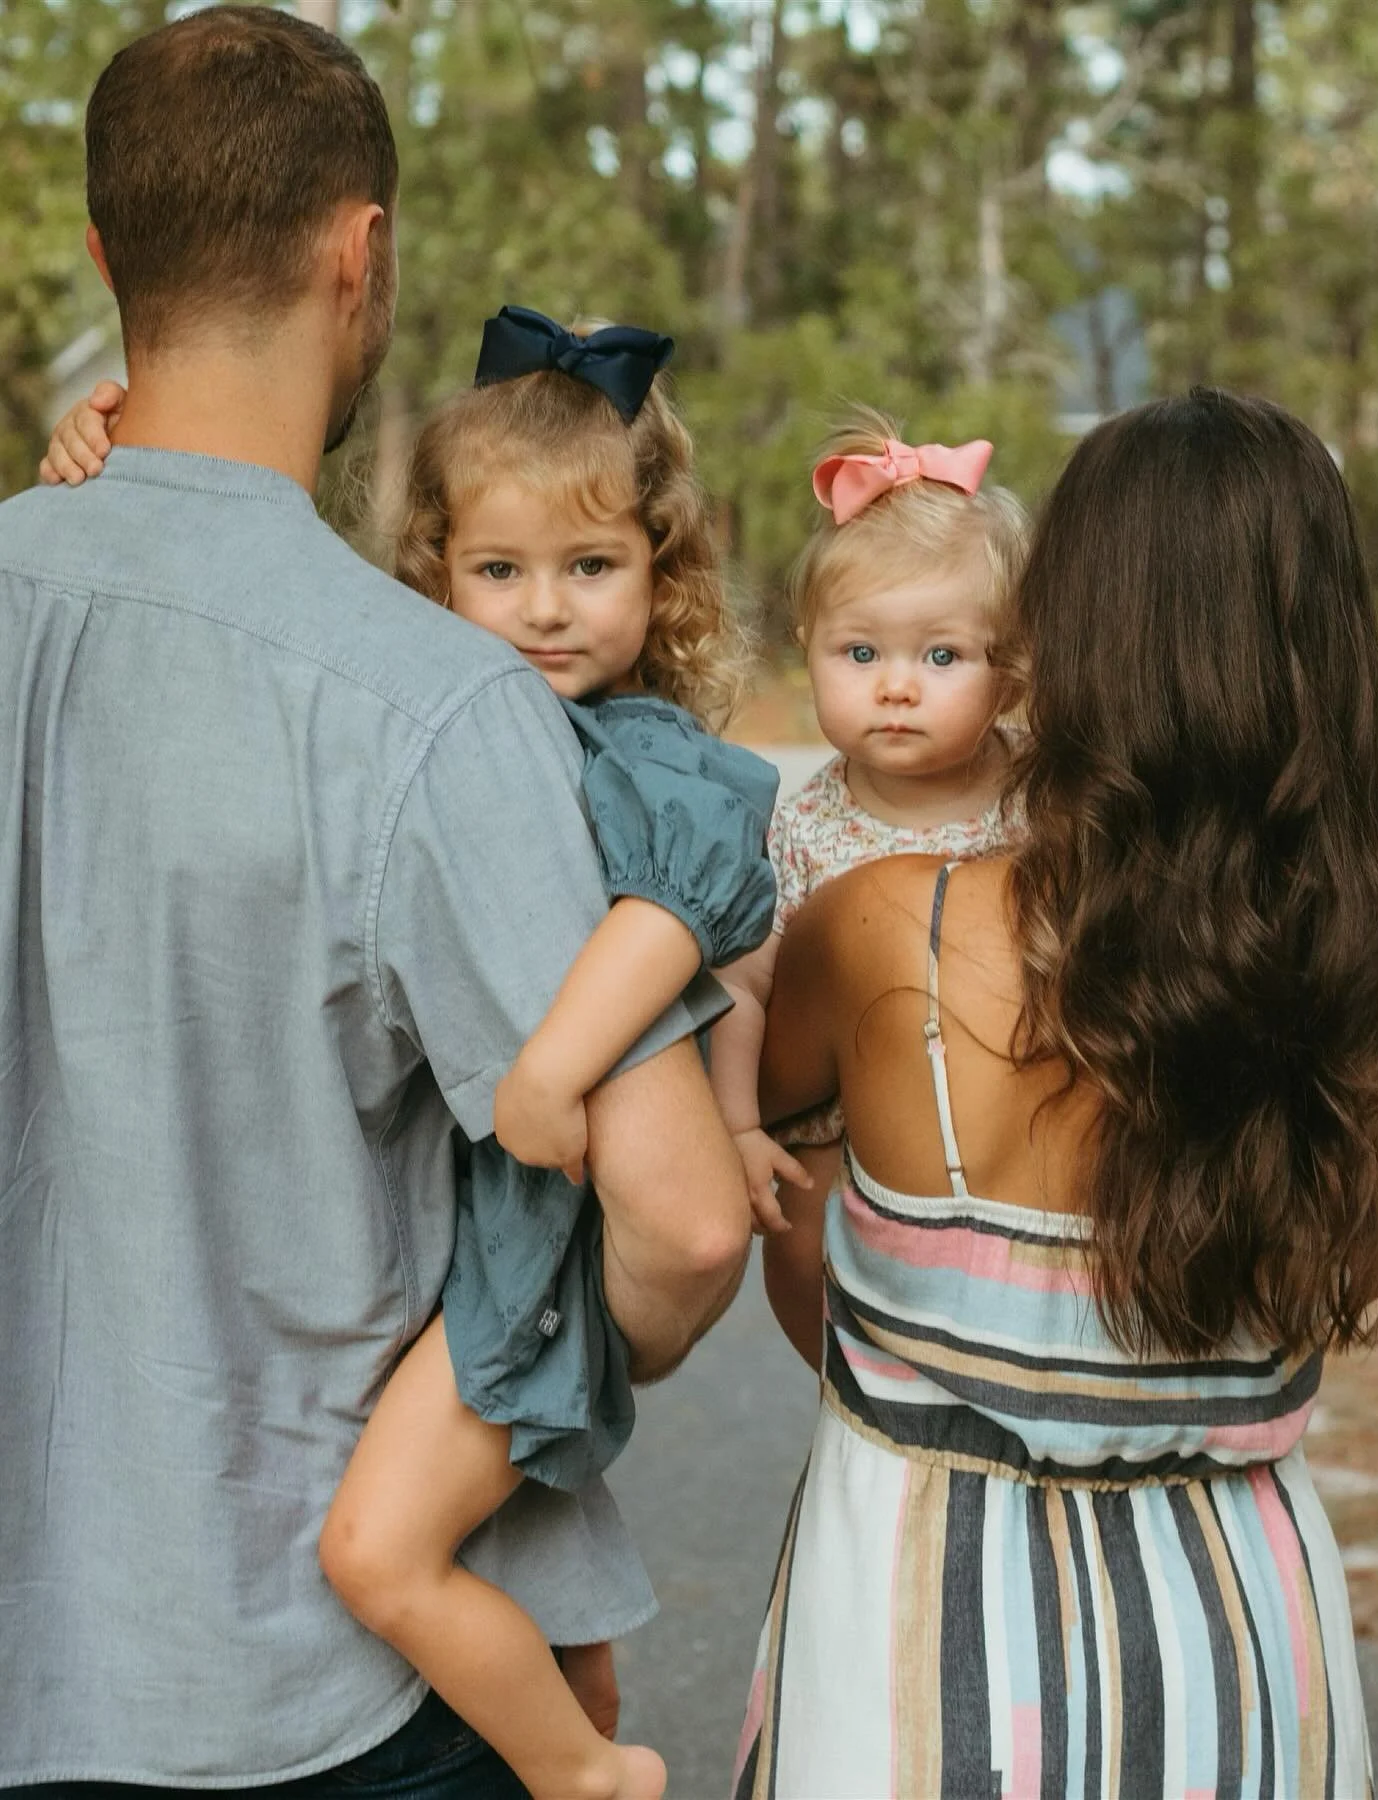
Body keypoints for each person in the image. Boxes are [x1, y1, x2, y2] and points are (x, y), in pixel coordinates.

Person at [0, 10, 751, 1796]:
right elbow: (688, 1223)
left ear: (111, 256)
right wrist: (558, 1372)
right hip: (323, 1695)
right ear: (365, 254)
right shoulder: (433, 706)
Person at [735, 390, 1378, 1796]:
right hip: (1244, 1635)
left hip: (910, 1629)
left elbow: (796, 1254)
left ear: (1061, 640)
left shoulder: (889, 928)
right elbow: (1340, 1283)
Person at [703, 408, 1031, 1360]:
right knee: (803, 1250)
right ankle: (853, 1405)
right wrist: (734, 1124)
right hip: (837, 1140)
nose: (897, 686)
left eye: (942, 656)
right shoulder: (802, 825)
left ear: (1007, 674)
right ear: (808, 650)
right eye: (861, 653)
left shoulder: (1039, 805)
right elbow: (743, 981)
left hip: (1004, 1142)